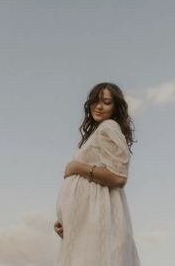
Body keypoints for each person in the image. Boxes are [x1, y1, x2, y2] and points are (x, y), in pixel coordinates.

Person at [54, 82, 141, 266]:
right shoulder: (98, 131)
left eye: (106, 102)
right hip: (84, 223)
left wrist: (76, 167)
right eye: (95, 101)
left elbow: (119, 177)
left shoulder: (108, 126)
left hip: (98, 220)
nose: (99, 106)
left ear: (116, 107)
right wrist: (66, 219)